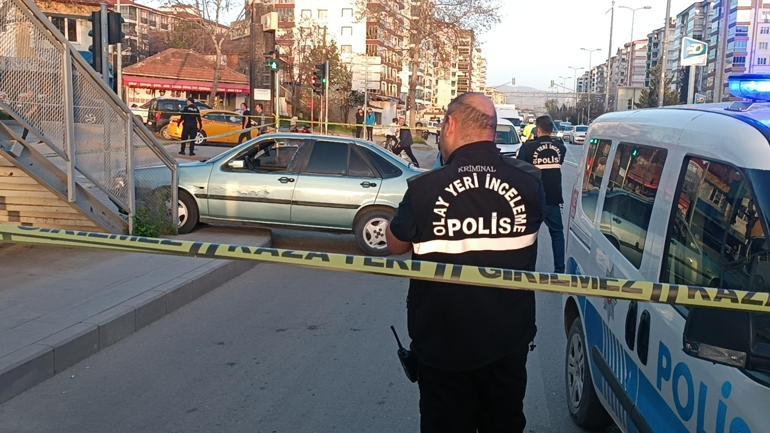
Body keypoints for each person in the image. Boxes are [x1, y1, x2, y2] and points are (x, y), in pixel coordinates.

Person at [386, 92, 544, 433]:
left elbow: (395, 243)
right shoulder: (529, 184)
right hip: (507, 340)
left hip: (443, 343)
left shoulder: (426, 188)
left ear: (451, 125)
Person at [517, 115, 567, 273]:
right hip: (553, 198)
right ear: (551, 130)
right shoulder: (560, 147)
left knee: (528, 236)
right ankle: (559, 270)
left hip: (533, 199)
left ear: (538, 130)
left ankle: (527, 269)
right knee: (557, 234)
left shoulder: (528, 148)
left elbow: (520, 169)